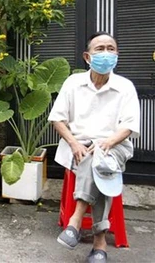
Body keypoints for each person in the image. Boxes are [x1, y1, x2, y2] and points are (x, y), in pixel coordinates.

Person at [48, 32, 140, 263]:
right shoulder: (73, 83)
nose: (106, 53)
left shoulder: (125, 87)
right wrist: (74, 142)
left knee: (98, 159)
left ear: (117, 54)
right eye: (100, 49)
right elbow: (58, 119)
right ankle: (100, 244)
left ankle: (75, 221)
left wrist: (107, 143)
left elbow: (128, 126)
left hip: (114, 146)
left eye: (111, 48)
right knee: (96, 163)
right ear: (87, 57)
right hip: (77, 144)